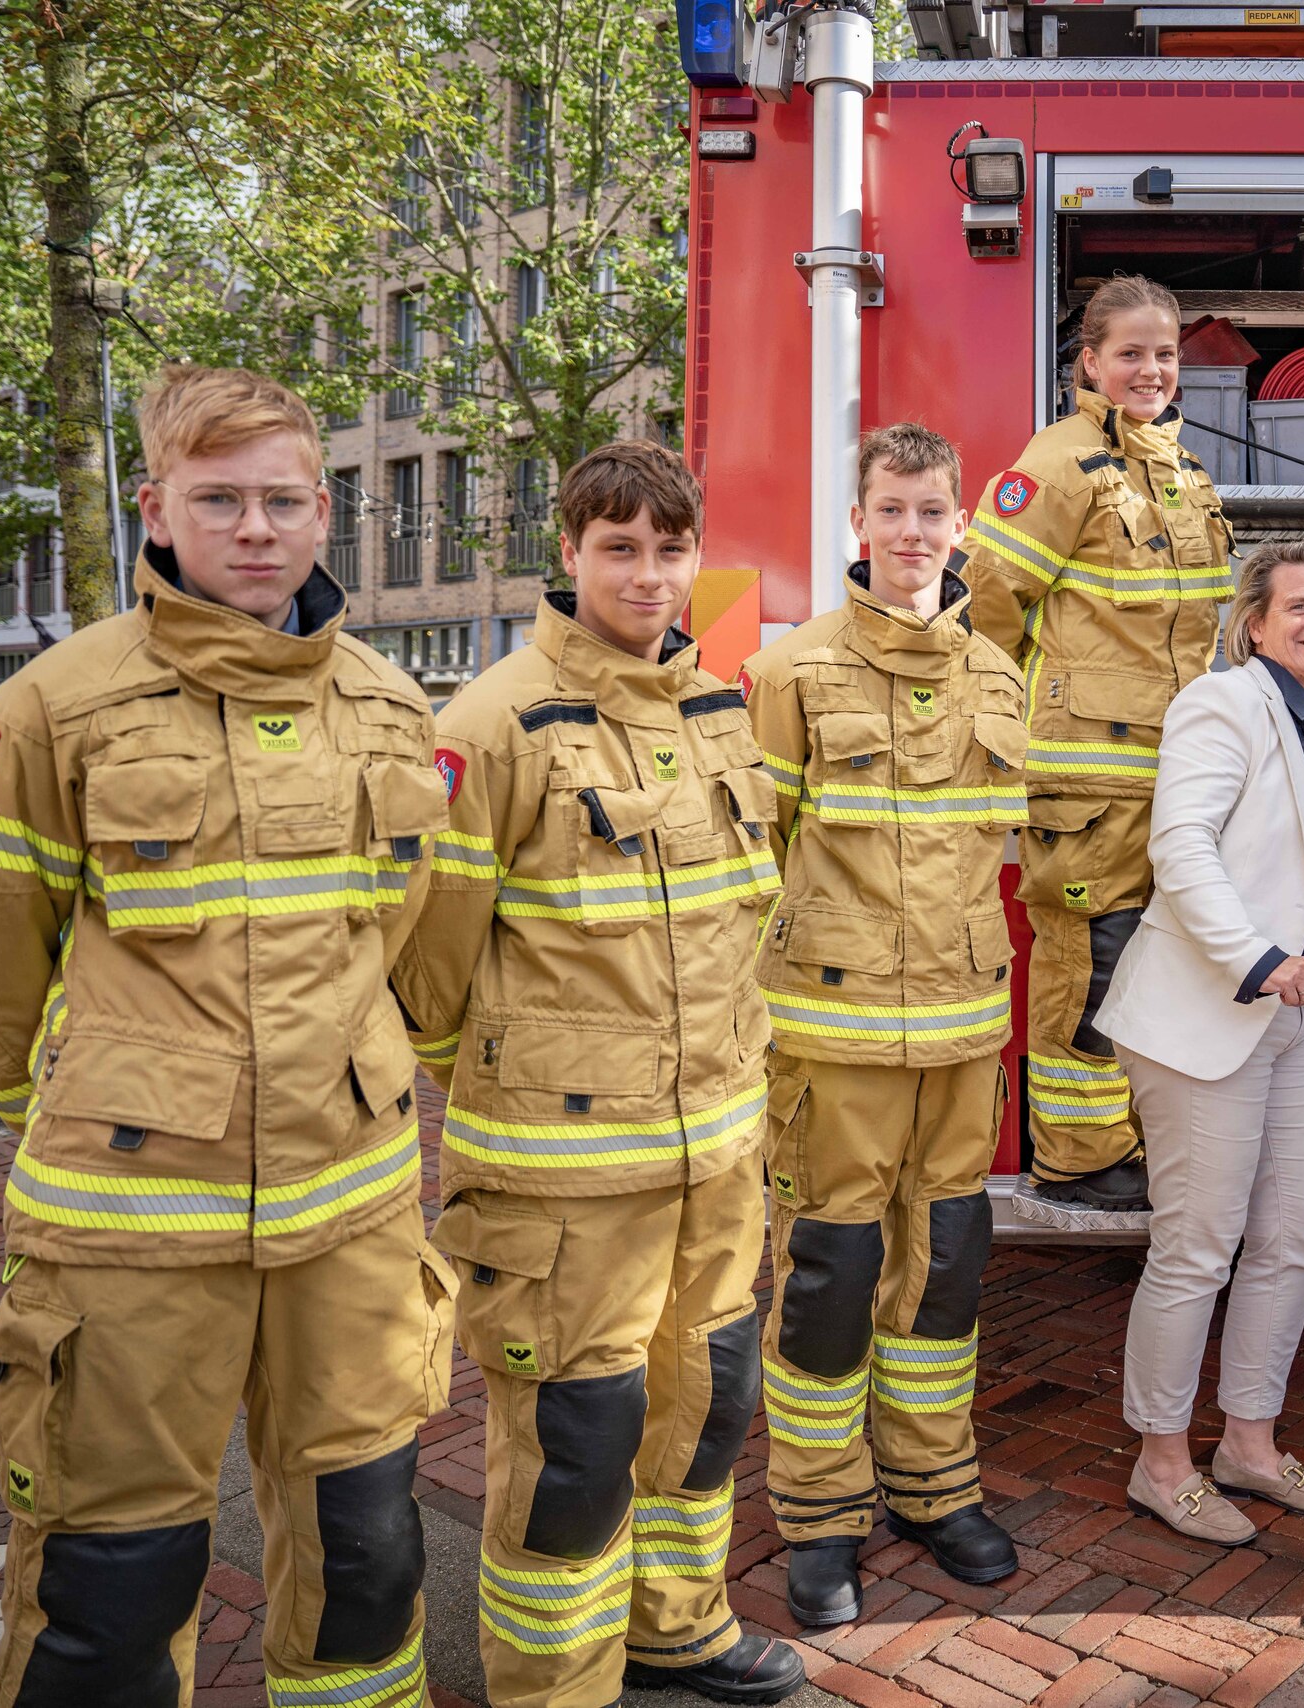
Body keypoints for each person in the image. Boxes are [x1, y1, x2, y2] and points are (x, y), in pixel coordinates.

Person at [0, 366, 453, 1707]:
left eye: (280, 500)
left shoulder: (391, 706)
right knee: (111, 1591)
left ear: (325, 513)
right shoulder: (51, 710)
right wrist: (83, 1097)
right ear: (156, 509)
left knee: (367, 1568)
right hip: (133, 1229)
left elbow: (394, 926)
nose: (254, 529)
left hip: (354, 1222)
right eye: (219, 500)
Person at [393, 441, 805, 1707]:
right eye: (617, 546)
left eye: (669, 547)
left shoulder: (719, 710)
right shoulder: (494, 723)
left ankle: (678, 1628)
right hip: (563, 1180)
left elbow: (745, 922)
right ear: (567, 553)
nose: (648, 573)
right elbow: (428, 973)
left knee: (708, 1404)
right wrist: (523, 1083)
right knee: (575, 1444)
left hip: (719, 1162)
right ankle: (556, 1684)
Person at [743, 424, 1028, 1627]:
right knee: (827, 1278)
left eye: (931, 511)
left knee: (945, 1276)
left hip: (963, 1040)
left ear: (960, 524)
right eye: (891, 511)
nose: (912, 533)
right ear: (857, 525)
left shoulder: (999, 679)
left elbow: (998, 856)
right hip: (833, 1040)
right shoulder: (791, 673)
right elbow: (756, 863)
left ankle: (932, 1483)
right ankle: (819, 1515)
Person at [1093, 542, 1304, 1545]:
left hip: (1284, 1021)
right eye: (1301, 607)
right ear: (1254, 625)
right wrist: (1256, 952)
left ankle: (1247, 1444)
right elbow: (1179, 844)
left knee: (1292, 1235)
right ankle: (1161, 1462)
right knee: (1196, 1248)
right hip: (1205, 1018)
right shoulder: (1222, 704)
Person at [959, 275, 1236, 1211]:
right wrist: (1006, 738)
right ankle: (1075, 1157)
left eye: (1164, 354)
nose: (1150, 369)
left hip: (1174, 775)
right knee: (1089, 963)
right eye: (1130, 353)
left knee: (1154, 963)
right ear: (1089, 361)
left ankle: (1132, 1141)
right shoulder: (1061, 463)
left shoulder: (1181, 472)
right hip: (1086, 781)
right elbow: (988, 602)